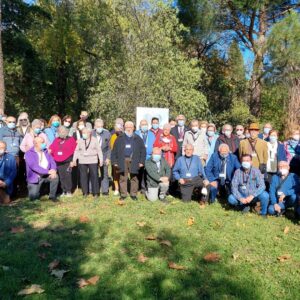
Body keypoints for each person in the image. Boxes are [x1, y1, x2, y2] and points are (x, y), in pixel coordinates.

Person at [111, 121, 146, 201]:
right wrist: (114, 162)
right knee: (123, 177)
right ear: (124, 128)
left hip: (135, 160)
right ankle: (123, 194)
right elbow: (114, 151)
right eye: (127, 127)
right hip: (122, 160)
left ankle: (133, 194)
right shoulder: (119, 138)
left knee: (134, 177)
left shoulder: (138, 138)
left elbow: (143, 150)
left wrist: (141, 162)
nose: (129, 128)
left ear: (133, 128)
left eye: (130, 127)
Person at [25, 136, 59, 201]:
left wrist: (53, 170)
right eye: (42, 142)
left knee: (55, 177)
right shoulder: (29, 153)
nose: (44, 144)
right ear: (35, 144)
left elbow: (52, 162)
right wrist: (48, 171)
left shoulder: (46, 151)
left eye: (44, 142)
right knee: (33, 198)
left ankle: (52, 196)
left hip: (46, 175)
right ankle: (38, 191)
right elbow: (34, 166)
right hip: (35, 177)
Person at [71, 127, 103, 197]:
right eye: (83, 133)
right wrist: (74, 160)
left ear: (89, 133)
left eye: (85, 133)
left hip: (93, 160)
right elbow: (76, 151)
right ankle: (85, 192)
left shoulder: (94, 140)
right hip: (82, 161)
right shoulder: (80, 140)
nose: (84, 134)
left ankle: (96, 193)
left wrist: (101, 160)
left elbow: (99, 151)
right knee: (83, 177)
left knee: (94, 176)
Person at [49, 126, 77, 197]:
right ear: (58, 132)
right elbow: (52, 148)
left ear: (66, 132)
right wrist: (50, 151)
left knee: (68, 175)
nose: (62, 133)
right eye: (60, 131)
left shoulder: (71, 139)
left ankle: (68, 191)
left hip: (68, 161)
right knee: (61, 176)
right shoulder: (56, 139)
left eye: (63, 131)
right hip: (58, 161)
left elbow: (75, 151)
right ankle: (63, 191)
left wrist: (73, 161)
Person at [135, 119, 156, 193]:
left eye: (145, 124)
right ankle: (138, 187)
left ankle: (145, 187)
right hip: (138, 156)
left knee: (147, 173)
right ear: (140, 126)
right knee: (139, 172)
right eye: (142, 124)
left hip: (148, 157)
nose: (144, 126)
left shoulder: (151, 134)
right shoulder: (136, 133)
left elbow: (154, 145)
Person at [93, 119, 111, 195]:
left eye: (101, 126)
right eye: (98, 126)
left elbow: (110, 148)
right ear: (95, 126)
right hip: (93, 156)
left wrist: (108, 158)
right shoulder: (90, 133)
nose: (100, 128)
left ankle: (105, 190)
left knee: (104, 173)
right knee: (94, 173)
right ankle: (93, 189)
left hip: (104, 156)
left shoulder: (107, 134)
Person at [110, 121, 124, 196]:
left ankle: (123, 188)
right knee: (115, 174)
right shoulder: (113, 136)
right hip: (115, 158)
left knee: (123, 174)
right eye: (117, 128)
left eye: (120, 128)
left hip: (124, 158)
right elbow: (112, 148)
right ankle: (116, 189)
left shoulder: (125, 135)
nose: (118, 130)